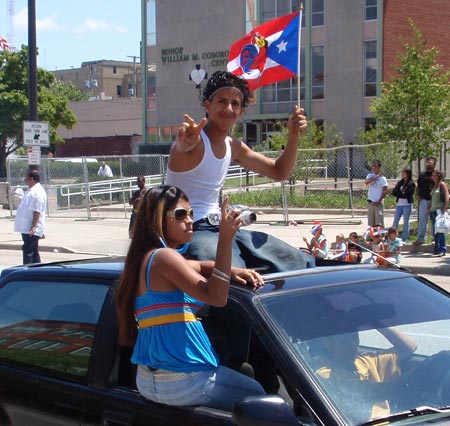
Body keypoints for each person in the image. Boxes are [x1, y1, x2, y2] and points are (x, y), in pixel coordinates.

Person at [116, 185, 265, 411]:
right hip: (183, 381)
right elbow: (215, 297)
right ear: (157, 219)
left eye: (192, 214)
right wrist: (225, 240)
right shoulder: (164, 257)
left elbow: (195, 265)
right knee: (258, 398)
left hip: (148, 380)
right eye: (180, 214)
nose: (189, 220)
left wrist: (230, 270)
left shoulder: (147, 259)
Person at [166, 70, 314, 273]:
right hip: (192, 228)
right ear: (207, 105)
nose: (229, 108)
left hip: (223, 227)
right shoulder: (195, 141)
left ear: (242, 110)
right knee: (232, 275)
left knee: (297, 261)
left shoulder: (234, 146)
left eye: (235, 103)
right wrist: (183, 142)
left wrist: (294, 137)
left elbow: (279, 171)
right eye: (222, 101)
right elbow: (181, 148)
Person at [313, 312, 417, 420]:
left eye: (354, 337)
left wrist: (375, 322)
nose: (352, 344)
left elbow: (409, 348)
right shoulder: (325, 374)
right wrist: (413, 376)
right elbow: (369, 393)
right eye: (344, 340)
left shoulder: (366, 361)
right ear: (328, 344)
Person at [13, 169, 47, 264]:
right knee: (33, 252)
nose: (25, 179)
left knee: (29, 252)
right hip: (27, 227)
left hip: (32, 228)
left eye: (26, 177)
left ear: (31, 178)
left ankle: (27, 272)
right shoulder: (31, 190)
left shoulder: (38, 192)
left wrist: (33, 226)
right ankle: (37, 272)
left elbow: (37, 210)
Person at [413, 157, 436, 246]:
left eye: (430, 162)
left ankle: (435, 239)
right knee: (422, 220)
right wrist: (418, 197)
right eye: (427, 162)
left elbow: (439, 186)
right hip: (423, 200)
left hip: (434, 200)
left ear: (434, 164)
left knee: (434, 220)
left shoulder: (436, 174)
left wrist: (433, 200)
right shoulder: (422, 174)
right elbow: (418, 186)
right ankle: (421, 238)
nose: (428, 164)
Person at [391, 167, 415, 243]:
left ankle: (405, 238)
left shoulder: (411, 184)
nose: (402, 174)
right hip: (399, 205)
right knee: (395, 222)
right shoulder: (400, 183)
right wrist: (401, 193)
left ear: (408, 174)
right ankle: (393, 238)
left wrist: (401, 193)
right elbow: (394, 192)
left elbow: (408, 193)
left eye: (404, 172)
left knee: (406, 222)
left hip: (407, 205)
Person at [429, 170, 449, 257]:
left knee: (441, 230)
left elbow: (447, 196)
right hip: (433, 210)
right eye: (432, 175)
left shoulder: (442, 184)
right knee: (435, 231)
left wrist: (444, 208)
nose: (433, 177)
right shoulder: (434, 185)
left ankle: (442, 249)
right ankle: (437, 249)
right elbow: (432, 197)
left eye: (435, 175)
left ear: (439, 176)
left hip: (439, 210)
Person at [365, 160, 388, 227]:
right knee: (371, 223)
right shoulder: (369, 175)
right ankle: (372, 236)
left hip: (378, 203)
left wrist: (379, 201)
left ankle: (380, 236)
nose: (374, 168)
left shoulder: (383, 178)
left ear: (379, 167)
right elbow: (367, 182)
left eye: (376, 166)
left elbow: (385, 191)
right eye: (373, 166)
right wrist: (376, 176)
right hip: (371, 202)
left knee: (379, 223)